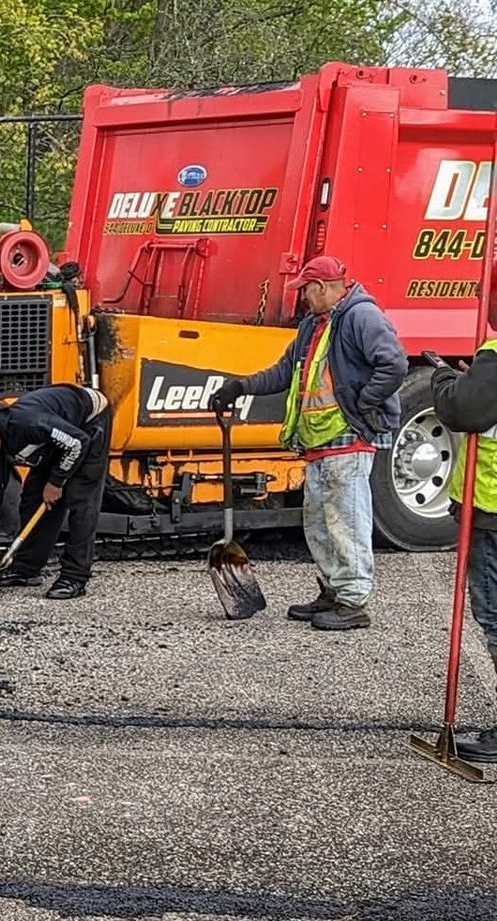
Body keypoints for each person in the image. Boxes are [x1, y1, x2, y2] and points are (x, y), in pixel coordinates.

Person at [208, 255, 406, 632]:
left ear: (323, 287)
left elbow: (394, 365)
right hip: (320, 441)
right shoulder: (314, 325)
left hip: (347, 437)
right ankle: (333, 591)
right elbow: (285, 372)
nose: (303, 298)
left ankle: (353, 601)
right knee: (319, 522)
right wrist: (240, 387)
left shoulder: (361, 317)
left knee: (346, 520)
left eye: (306, 290)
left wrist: (362, 402)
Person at [0, 383, 112, 600]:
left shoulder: (27, 423)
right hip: (57, 441)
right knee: (32, 499)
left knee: (80, 501)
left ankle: (74, 577)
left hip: (88, 422)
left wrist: (56, 482)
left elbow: (77, 443)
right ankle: (25, 569)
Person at [428, 292, 497, 763]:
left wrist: (444, 378)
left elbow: (464, 412)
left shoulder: (494, 356)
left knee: (494, 618)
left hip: (492, 510)